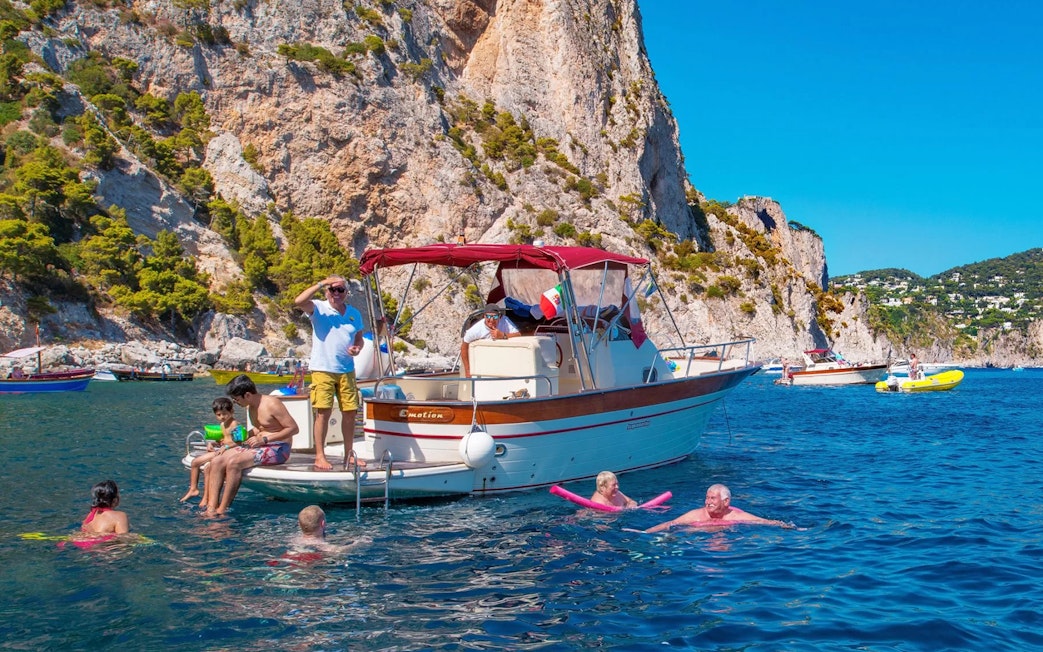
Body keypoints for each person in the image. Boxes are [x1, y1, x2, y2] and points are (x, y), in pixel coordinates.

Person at [294, 275, 367, 471]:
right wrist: (321, 282)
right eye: (332, 289)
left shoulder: (354, 314)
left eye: (340, 290)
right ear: (326, 291)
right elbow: (299, 301)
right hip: (323, 369)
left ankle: (349, 455)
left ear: (346, 292)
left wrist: (357, 348)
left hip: (346, 369)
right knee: (323, 413)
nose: (336, 293)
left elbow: (359, 338)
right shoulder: (318, 308)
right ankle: (320, 456)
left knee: (350, 412)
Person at [204, 375, 299, 515]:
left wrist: (265, 440)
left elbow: (293, 429)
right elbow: (260, 428)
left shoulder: (272, 404)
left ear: (247, 395)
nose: (236, 403)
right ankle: (211, 509)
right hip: (258, 445)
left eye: (237, 400)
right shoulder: (251, 407)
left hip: (278, 448)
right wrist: (236, 439)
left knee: (234, 463)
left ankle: (222, 510)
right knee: (217, 460)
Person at [644, 484, 785, 532]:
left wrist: (787, 526)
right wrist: (645, 532)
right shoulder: (696, 515)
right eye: (707, 498)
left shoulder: (735, 516)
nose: (708, 502)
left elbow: (762, 521)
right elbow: (670, 523)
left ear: (726, 502)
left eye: (712, 499)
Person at [180, 397, 241, 503]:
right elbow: (224, 438)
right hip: (222, 450)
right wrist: (211, 443)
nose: (222, 417)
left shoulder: (235, 424)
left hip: (229, 451)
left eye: (224, 414)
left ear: (232, 411)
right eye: (218, 415)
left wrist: (226, 446)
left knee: (196, 462)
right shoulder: (223, 424)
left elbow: (239, 442)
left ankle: (195, 491)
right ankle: (200, 494)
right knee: (204, 467)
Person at [460, 303, 520, 376]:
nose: (491, 320)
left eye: (495, 317)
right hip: (483, 362)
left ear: (500, 317)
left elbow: (518, 334)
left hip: (502, 360)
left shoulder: (505, 322)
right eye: (488, 316)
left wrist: (503, 335)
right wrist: (468, 369)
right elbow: (464, 345)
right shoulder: (476, 330)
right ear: (484, 316)